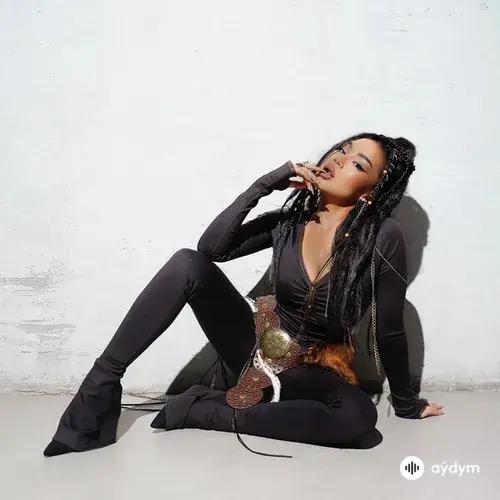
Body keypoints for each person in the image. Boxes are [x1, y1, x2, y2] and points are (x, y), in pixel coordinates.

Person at [43, 132, 444, 457]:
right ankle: (99, 389)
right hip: (255, 348)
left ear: (369, 192)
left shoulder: (382, 237)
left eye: (358, 163)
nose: (340, 159)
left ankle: (204, 411)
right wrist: (265, 184)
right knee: (186, 264)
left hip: (310, 369)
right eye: (342, 149)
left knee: (358, 419)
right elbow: (211, 249)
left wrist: (406, 403)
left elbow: (389, 330)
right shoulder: (290, 222)